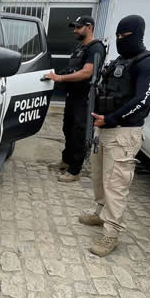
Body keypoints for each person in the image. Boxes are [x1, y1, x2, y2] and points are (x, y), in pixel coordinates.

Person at [80, 15, 150, 257]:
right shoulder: (121, 60)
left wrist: (111, 118)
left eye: (125, 36)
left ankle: (112, 233)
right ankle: (101, 214)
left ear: (138, 35)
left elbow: (142, 101)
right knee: (99, 177)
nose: (120, 40)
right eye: (118, 36)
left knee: (116, 184)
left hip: (124, 132)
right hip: (105, 128)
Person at [44, 16, 107, 182]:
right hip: (73, 96)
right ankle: (66, 160)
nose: (75, 31)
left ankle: (74, 170)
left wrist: (60, 78)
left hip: (85, 98)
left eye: (78, 27)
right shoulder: (81, 47)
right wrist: (57, 74)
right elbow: (73, 68)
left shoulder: (96, 48)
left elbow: (87, 72)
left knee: (79, 132)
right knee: (68, 129)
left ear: (89, 27)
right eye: (75, 27)